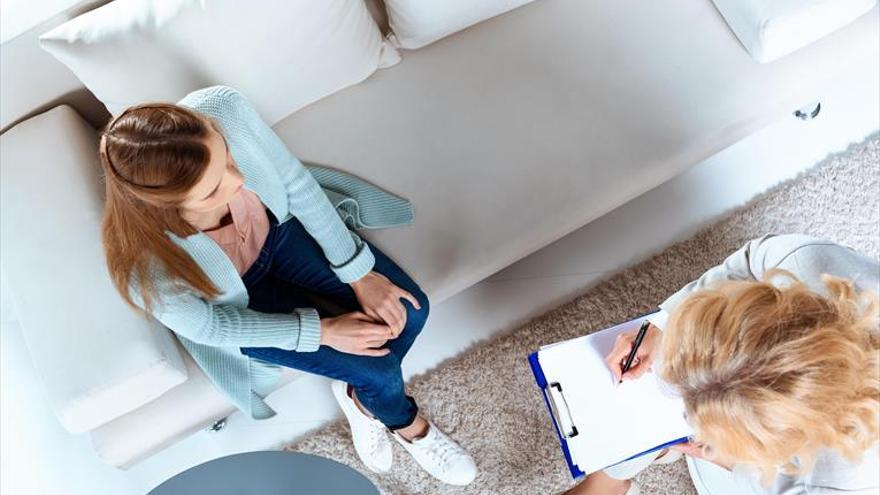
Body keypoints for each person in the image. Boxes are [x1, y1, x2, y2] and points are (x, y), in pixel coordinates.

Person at [98, 85, 477, 486]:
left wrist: (358, 273)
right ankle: (409, 426)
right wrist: (323, 332)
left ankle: (361, 402)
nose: (239, 179)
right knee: (378, 370)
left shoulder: (221, 108)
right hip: (241, 306)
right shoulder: (145, 267)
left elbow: (294, 183)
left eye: (227, 156)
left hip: (279, 235)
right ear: (167, 205)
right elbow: (214, 327)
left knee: (411, 311)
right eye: (212, 190)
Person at [566, 234, 879, 495]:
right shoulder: (802, 260)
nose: (684, 410)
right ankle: (609, 481)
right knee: (647, 401)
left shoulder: (845, 482)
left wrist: (727, 461)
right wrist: (663, 326)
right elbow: (745, 264)